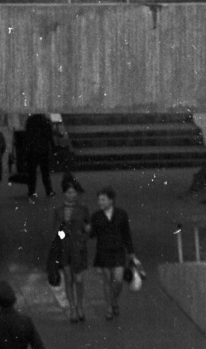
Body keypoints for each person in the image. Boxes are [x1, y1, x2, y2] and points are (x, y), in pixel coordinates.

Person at [90, 188, 136, 319]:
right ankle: (109, 306)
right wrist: (88, 229)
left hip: (118, 251)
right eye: (99, 200)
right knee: (107, 280)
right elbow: (92, 234)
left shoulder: (121, 214)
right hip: (103, 251)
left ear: (111, 200)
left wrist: (131, 251)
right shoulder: (96, 216)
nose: (100, 202)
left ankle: (114, 299)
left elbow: (126, 233)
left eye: (103, 199)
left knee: (118, 280)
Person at [53, 177, 90, 322]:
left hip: (79, 248)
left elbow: (88, 228)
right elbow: (56, 230)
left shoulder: (83, 209)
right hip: (65, 248)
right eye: (69, 192)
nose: (72, 195)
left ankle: (80, 305)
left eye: (74, 192)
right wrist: (64, 236)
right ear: (64, 194)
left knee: (79, 279)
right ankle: (73, 307)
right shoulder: (59, 211)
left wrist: (83, 236)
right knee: (69, 279)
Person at [23, 113, 55, 201]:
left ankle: (31, 190)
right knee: (45, 172)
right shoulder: (46, 121)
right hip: (43, 150)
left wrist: (26, 150)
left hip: (32, 150)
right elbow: (50, 136)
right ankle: (48, 190)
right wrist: (53, 147)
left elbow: (27, 136)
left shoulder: (30, 121)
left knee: (32, 172)